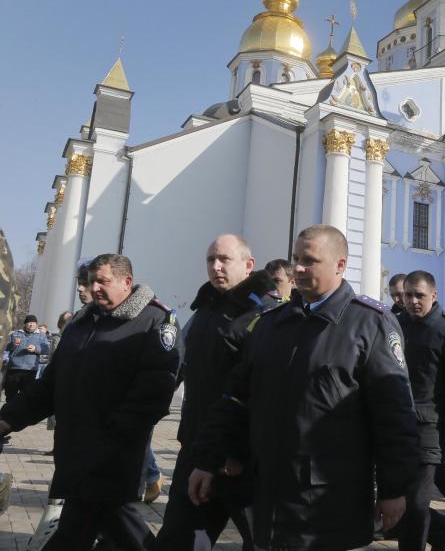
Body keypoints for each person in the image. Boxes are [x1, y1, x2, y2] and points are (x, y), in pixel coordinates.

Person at [187, 225, 420, 551]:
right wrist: (208, 459)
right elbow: (236, 398)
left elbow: (394, 416)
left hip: (328, 500)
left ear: (339, 265)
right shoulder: (271, 324)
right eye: (296, 258)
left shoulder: (369, 325)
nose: (297, 268)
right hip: (270, 492)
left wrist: (395, 489)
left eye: (309, 261)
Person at [0, 253, 183, 551]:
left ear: (126, 282)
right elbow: (50, 386)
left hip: (112, 459)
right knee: (96, 530)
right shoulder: (80, 324)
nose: (94, 287)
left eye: (103, 281)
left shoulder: (154, 323)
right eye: (91, 281)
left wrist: (109, 440)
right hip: (74, 455)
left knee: (99, 527)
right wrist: (8, 419)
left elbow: (153, 394)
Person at [156, 234, 278, 550]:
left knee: (263, 541)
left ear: (249, 265)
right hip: (196, 446)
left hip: (240, 461)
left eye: (224, 259)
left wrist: (237, 452)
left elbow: (262, 393)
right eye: (211, 260)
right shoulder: (206, 309)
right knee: (176, 538)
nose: (216, 266)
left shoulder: (266, 315)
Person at [396, 270, 445, 551]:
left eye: (419, 295)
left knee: (416, 505)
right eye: (408, 295)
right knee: (397, 503)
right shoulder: (395, 324)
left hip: (428, 429)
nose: (413, 301)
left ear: (433, 295)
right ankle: (440, 528)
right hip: (394, 426)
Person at [3, 315, 49, 400]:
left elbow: (46, 349)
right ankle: (9, 412)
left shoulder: (42, 336)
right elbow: (5, 347)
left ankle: (21, 412)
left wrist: (36, 348)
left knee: (26, 395)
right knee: (10, 394)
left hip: (30, 370)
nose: (31, 325)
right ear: (25, 324)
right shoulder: (16, 333)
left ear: (36, 324)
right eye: (29, 323)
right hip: (14, 369)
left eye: (33, 323)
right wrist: (13, 345)